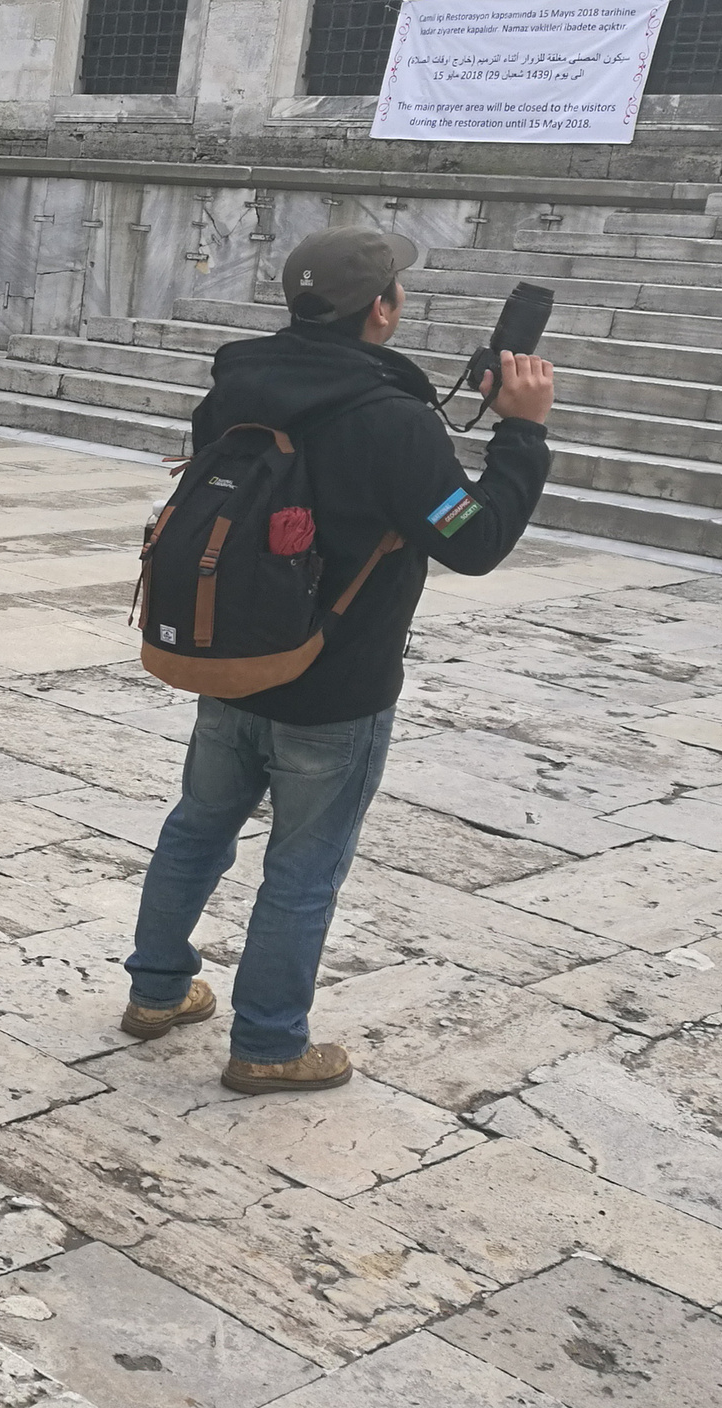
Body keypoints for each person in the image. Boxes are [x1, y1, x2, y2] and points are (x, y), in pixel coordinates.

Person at [120, 228, 556, 1094]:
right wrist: (522, 436)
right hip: (337, 682)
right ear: (383, 310)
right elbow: (474, 542)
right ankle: (271, 1045)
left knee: (197, 825)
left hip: (234, 659)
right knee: (304, 866)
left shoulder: (236, 386)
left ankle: (157, 993)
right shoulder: (389, 418)